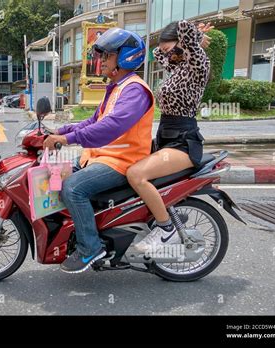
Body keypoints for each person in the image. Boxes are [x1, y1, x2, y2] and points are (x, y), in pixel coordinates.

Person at [43, 28, 154, 273]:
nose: (101, 61)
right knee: (55, 175)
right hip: (102, 157)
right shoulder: (117, 88)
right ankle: (81, 229)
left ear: (126, 57)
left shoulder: (134, 90)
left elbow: (109, 128)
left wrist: (67, 138)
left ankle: (90, 247)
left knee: (72, 188)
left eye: (107, 56)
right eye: (101, 56)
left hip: (123, 160)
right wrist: (60, 130)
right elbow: (92, 122)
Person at [126, 20, 213, 255]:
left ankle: (166, 230)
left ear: (184, 44)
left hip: (183, 141)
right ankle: (159, 217)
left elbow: (184, 28)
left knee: (136, 174)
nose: (167, 54)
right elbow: (156, 51)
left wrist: (193, 36)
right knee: (127, 166)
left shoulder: (198, 65)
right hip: (165, 137)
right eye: (167, 51)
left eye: (171, 49)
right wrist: (173, 49)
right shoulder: (177, 66)